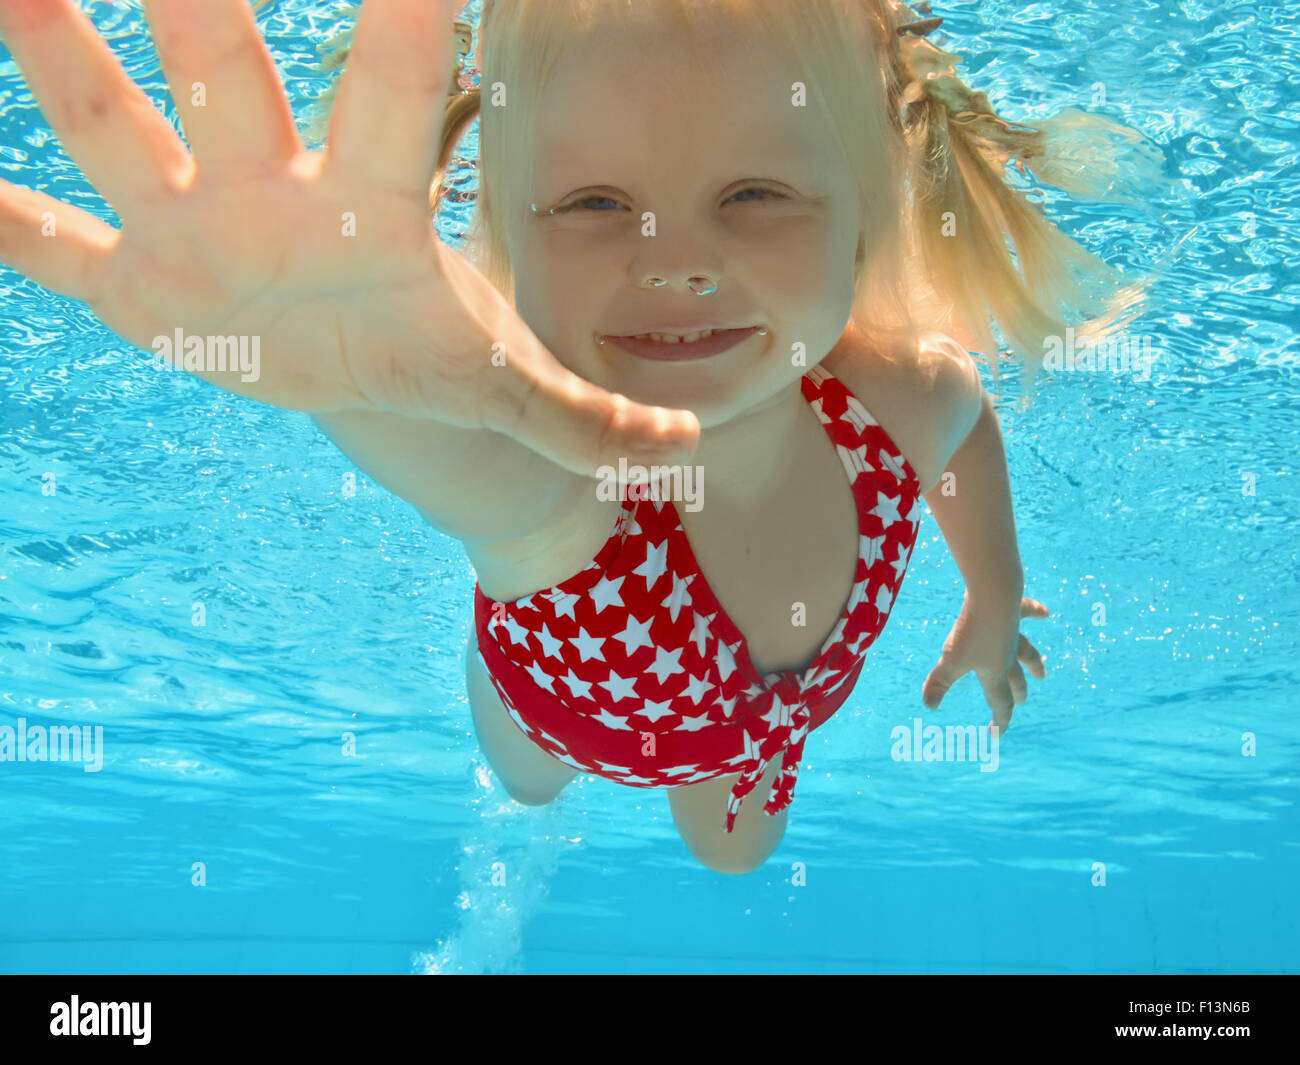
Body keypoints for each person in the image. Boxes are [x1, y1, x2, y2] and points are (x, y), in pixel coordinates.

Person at [0, 0, 1164, 873]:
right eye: (596, 204)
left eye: (756, 192)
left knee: (732, 853)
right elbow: (447, 459)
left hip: (763, 725)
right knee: (529, 783)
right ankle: (496, 684)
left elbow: (964, 434)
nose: (672, 258)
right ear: (504, 239)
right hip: (552, 697)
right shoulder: (561, 491)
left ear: (868, 219)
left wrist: (994, 596)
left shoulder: (899, 395)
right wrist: (328, 357)